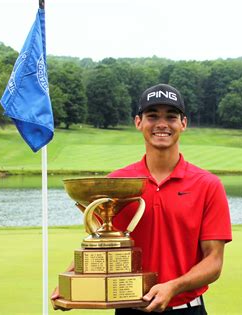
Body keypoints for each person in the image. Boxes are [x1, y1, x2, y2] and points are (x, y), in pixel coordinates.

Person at [51, 83, 232, 314]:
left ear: (183, 123)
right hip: (129, 308)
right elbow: (101, 246)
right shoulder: (116, 183)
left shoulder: (208, 185)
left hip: (187, 309)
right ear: (138, 122)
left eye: (171, 116)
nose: (162, 124)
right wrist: (72, 281)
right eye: (152, 116)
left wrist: (173, 287)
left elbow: (214, 262)